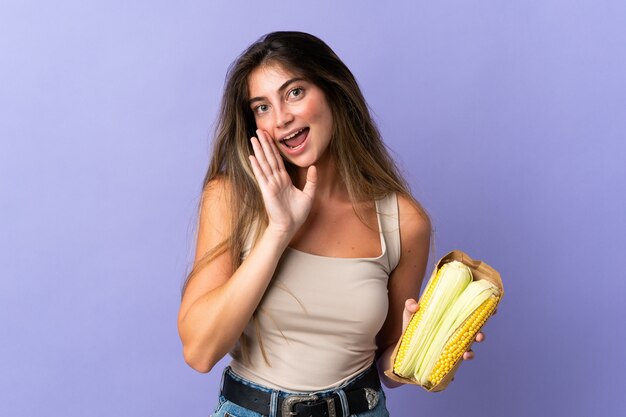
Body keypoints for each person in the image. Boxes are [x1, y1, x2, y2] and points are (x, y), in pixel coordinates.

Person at [177, 31, 484, 417]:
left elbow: (387, 365)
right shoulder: (232, 198)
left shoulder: (403, 221)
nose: (281, 117)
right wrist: (278, 230)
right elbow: (200, 352)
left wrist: (423, 347)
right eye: (261, 107)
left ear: (333, 91)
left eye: (294, 93)